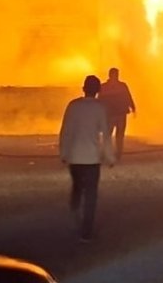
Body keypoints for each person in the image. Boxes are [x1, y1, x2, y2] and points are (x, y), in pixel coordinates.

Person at [59, 75, 114, 243]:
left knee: (77, 187)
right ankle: (86, 232)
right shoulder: (100, 108)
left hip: (75, 157)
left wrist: (64, 153)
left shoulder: (73, 106)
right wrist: (109, 157)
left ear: (84, 89)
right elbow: (106, 135)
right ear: (98, 90)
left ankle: (75, 212)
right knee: (91, 195)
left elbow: (65, 131)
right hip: (91, 158)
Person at [99, 67, 137, 160]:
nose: (116, 77)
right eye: (114, 75)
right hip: (110, 115)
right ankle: (106, 153)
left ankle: (118, 153)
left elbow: (128, 97)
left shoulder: (121, 86)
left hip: (120, 114)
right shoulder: (104, 87)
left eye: (117, 75)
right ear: (110, 75)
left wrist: (133, 107)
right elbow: (99, 101)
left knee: (119, 135)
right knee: (108, 134)